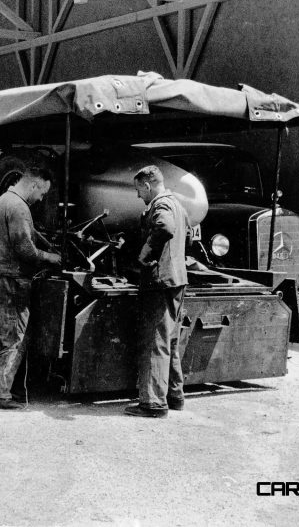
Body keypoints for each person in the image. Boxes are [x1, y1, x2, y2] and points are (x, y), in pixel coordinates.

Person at [0, 167, 61, 410]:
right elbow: (25, 250)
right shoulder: (18, 207)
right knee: (16, 338)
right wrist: (51, 257)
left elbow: (27, 235)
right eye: (42, 193)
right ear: (34, 185)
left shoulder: (4, 201)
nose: (41, 199)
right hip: (11, 280)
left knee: (4, 336)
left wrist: (42, 239)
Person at [125, 165, 189, 418]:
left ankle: (152, 403)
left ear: (147, 185)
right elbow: (187, 239)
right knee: (170, 341)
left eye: (139, 190)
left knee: (154, 342)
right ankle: (175, 395)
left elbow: (165, 228)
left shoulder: (161, 206)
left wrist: (145, 253)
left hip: (159, 282)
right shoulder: (178, 204)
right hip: (177, 280)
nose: (138, 196)